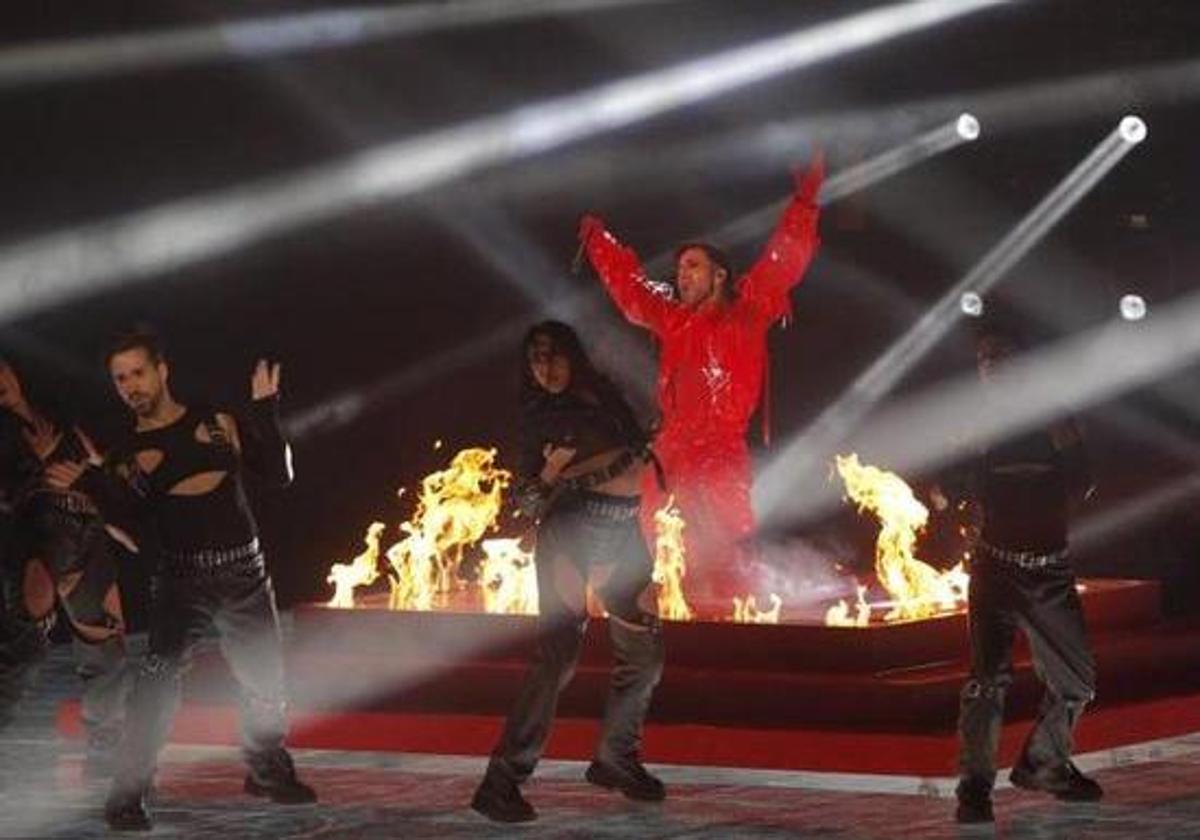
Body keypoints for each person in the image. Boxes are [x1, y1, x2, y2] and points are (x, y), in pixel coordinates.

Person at [57, 330, 315, 830]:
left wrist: (266, 412)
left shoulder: (217, 423)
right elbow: (128, 531)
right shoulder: (127, 455)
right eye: (120, 378)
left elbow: (279, 475)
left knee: (266, 681)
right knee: (156, 687)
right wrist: (94, 483)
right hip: (182, 583)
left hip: (247, 575)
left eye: (137, 372)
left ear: (162, 370)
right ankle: (128, 793)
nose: (130, 385)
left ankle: (266, 767)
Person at [578, 157, 823, 614]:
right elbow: (632, 292)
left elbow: (782, 261)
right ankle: (673, 625)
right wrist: (599, 243)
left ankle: (739, 624)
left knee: (729, 557)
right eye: (679, 268)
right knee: (664, 553)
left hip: (720, 451)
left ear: (720, 275)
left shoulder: (747, 313)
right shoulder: (672, 319)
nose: (682, 274)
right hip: (671, 450)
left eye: (693, 265)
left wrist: (804, 204)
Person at [471, 321, 665, 823]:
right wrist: (552, 472)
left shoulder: (606, 396)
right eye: (535, 359)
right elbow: (526, 501)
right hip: (571, 533)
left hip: (623, 533)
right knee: (559, 655)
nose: (543, 367)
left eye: (551, 356)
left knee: (644, 649)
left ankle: (616, 759)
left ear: (572, 356)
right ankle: (501, 783)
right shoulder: (540, 418)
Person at [952, 330, 1102, 824]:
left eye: (1000, 355)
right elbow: (951, 486)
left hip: (1048, 573)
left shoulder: (1054, 417)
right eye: (983, 357)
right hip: (994, 569)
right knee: (987, 682)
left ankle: (1045, 763)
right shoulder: (973, 422)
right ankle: (975, 789)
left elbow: (1084, 480)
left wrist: (1041, 502)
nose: (989, 365)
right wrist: (957, 501)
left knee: (1077, 682)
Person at [0, 357, 129, 769]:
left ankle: (106, 745)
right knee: (25, 643)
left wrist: (91, 469)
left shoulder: (62, 407)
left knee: (104, 638)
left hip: (86, 528)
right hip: (33, 534)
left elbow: (108, 465)